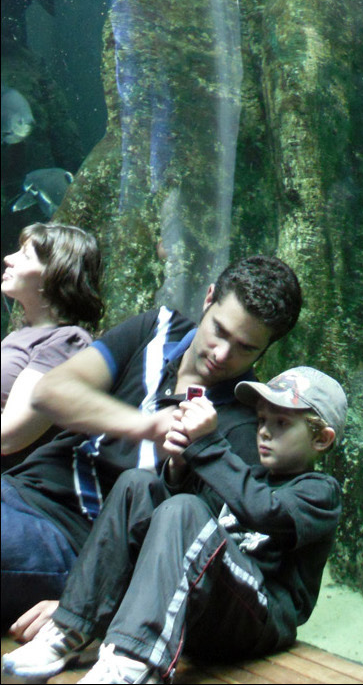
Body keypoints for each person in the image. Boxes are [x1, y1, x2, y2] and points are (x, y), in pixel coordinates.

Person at [0, 254, 301, 632]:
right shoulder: (157, 328)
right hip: (16, 490)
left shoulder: (241, 430)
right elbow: (51, 392)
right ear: (208, 299)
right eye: (220, 331)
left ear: (265, 351)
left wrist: (83, 602)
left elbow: (194, 553)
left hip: (74, 545)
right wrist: (144, 426)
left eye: (245, 347)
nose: (222, 354)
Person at [2, 365, 345, 685]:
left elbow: (267, 512)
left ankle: (134, 660)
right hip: (206, 606)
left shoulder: (320, 492)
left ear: (321, 439)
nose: (265, 431)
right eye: (262, 420)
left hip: (258, 617)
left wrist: (208, 446)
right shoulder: (250, 475)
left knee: (185, 509)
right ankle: (70, 629)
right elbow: (180, 517)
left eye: (282, 423)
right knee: (137, 484)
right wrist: (180, 465)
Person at [2, 224, 104, 472]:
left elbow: (9, 436)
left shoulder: (68, 342)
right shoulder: (19, 336)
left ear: (55, 273)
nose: (8, 259)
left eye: (25, 256)